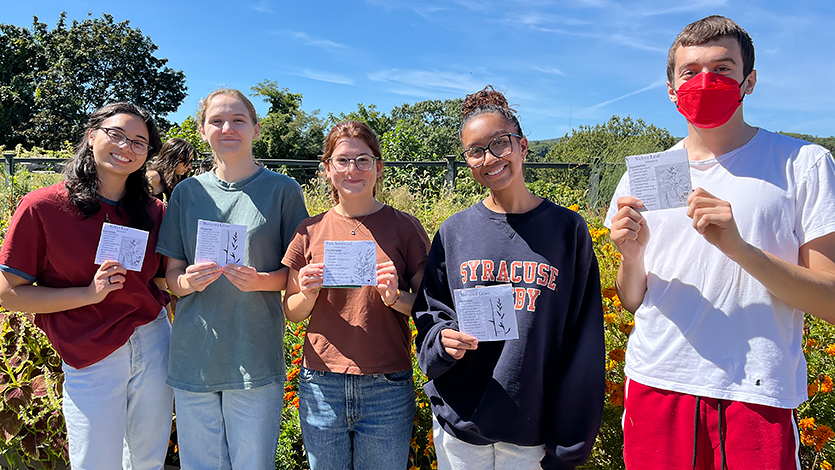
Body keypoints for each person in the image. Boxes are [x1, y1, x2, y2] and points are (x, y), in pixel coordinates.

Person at [606, 15, 835, 469]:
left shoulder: (802, 164)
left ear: (749, 81)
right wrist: (631, 257)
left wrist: (740, 249)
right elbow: (633, 299)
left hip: (755, 392)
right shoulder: (642, 174)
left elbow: (829, 300)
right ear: (671, 89)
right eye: (690, 72)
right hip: (656, 383)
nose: (705, 81)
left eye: (723, 69)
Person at [413, 86, 605, 470]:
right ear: (467, 160)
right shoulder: (455, 232)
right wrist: (442, 341)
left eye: (500, 144)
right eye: (475, 151)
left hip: (531, 432)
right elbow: (430, 316)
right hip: (460, 427)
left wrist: (570, 443)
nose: (490, 158)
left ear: (523, 147)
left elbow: (584, 339)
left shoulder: (567, 230)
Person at [0, 103, 173, 469]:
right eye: (116, 134)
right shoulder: (42, 206)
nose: (126, 146)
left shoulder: (153, 211)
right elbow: (8, 291)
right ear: (92, 135)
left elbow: (159, 278)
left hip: (153, 339)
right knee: (95, 460)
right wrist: (88, 294)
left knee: (147, 457)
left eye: (139, 142)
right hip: (89, 348)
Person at [155, 88, 308, 469]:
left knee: (252, 463)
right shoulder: (187, 193)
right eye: (217, 121)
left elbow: (298, 274)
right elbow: (169, 275)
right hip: (195, 353)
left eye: (238, 120)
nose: (228, 128)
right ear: (203, 130)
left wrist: (260, 281)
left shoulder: (283, 191)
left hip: (253, 352)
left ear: (256, 129)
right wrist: (188, 282)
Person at [282, 120, 430, 470]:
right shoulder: (309, 230)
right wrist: (308, 292)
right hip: (321, 382)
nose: (353, 169)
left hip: (387, 384)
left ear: (378, 168)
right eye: (342, 160)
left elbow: (428, 306)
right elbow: (292, 311)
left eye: (363, 160)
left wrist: (396, 297)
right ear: (327, 169)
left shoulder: (405, 227)